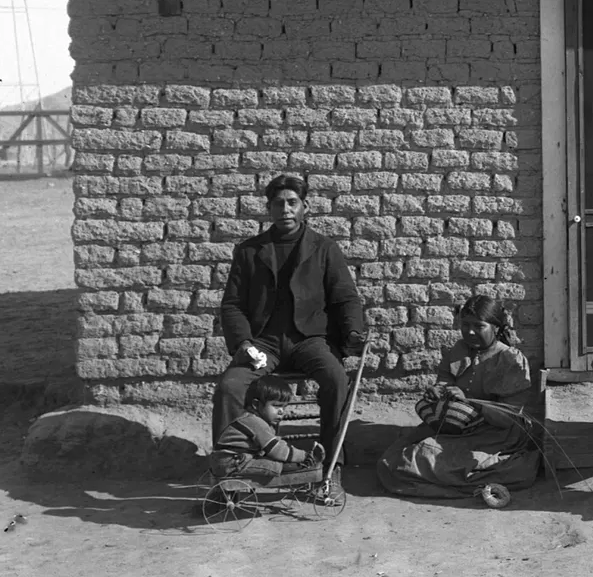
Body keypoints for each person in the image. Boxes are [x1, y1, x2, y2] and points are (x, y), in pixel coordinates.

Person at [213, 174, 367, 488]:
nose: (285, 209)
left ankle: (329, 467)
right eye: (278, 203)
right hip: (263, 346)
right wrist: (243, 342)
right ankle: (233, 468)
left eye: (292, 203)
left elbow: (345, 297)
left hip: (310, 341)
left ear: (304, 207)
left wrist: (353, 332)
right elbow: (232, 304)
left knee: (336, 379)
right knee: (231, 386)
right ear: (268, 208)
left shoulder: (324, 249)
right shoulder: (249, 251)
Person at [375, 294, 541, 498]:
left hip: (494, 435)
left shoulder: (510, 359)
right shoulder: (460, 350)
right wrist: (438, 391)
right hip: (456, 426)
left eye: (478, 326)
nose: (469, 332)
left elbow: (507, 418)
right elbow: (445, 380)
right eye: (465, 325)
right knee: (395, 457)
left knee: (419, 457)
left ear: (496, 328)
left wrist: (468, 401)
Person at [210, 376, 325, 481]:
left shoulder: (254, 420)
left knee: (275, 459)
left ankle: (301, 463)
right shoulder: (255, 422)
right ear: (256, 405)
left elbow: (275, 444)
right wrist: (303, 455)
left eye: (284, 407)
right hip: (232, 463)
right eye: (276, 406)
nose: (281, 411)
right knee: (275, 466)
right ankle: (305, 464)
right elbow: (277, 450)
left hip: (232, 460)